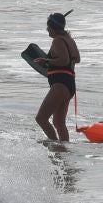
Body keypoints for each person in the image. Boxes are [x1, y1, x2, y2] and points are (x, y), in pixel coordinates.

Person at [35, 11, 80, 142]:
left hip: (60, 84)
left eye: (48, 26)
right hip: (69, 84)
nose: (46, 29)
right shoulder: (69, 39)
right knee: (59, 123)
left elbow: (64, 60)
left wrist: (47, 61)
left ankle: (55, 145)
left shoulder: (57, 40)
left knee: (41, 118)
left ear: (53, 27)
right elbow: (77, 59)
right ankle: (64, 150)